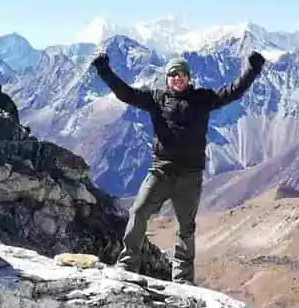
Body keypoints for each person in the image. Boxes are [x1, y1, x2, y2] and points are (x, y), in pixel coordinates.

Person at [89, 48, 266, 284]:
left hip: (190, 177)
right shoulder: (156, 99)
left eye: (181, 74)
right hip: (160, 171)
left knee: (186, 227)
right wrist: (104, 70)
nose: (177, 78)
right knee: (139, 212)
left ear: (189, 77)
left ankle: (182, 279)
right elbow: (126, 94)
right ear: (167, 79)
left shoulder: (203, 98)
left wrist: (253, 70)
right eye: (172, 74)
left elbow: (234, 92)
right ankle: (128, 263)